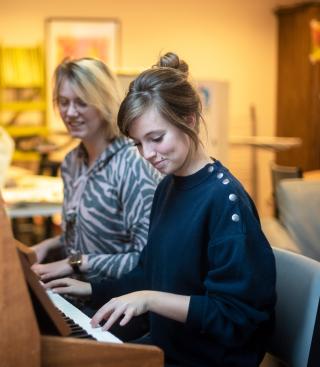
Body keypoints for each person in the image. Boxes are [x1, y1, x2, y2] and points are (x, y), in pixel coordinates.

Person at [44, 52, 276, 367]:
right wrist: (90, 288)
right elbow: (148, 271)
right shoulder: (168, 187)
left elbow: (234, 316)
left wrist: (150, 299)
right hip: (167, 345)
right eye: (138, 144)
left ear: (189, 120)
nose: (148, 154)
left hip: (206, 357)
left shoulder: (225, 201)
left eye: (156, 138)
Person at [31, 58, 161, 334]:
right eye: (63, 102)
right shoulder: (71, 162)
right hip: (73, 298)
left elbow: (146, 257)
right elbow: (88, 232)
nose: (70, 112)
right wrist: (50, 245)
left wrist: (72, 263)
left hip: (118, 306)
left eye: (81, 102)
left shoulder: (132, 163)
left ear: (103, 101)